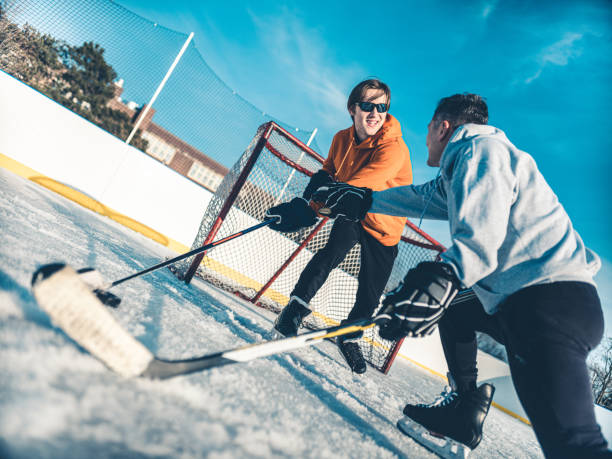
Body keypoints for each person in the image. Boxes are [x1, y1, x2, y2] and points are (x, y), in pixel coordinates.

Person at [311, 93, 609, 457]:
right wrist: (363, 199)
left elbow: (484, 229)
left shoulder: (482, 151)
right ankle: (464, 409)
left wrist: (448, 274)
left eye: (428, 129)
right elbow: (421, 197)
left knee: (575, 447)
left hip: (548, 305)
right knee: (455, 309)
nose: (425, 139)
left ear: (443, 127)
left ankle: (466, 406)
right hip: (527, 303)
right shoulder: (466, 168)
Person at [265, 78, 412, 374]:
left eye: (381, 107)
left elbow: (358, 186)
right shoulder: (341, 138)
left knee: (371, 291)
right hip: (354, 213)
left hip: (385, 224)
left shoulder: (393, 148)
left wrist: (312, 209)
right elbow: (330, 172)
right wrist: (306, 201)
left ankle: (350, 335)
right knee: (330, 253)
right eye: (367, 106)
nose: (375, 113)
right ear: (352, 109)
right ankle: (293, 311)